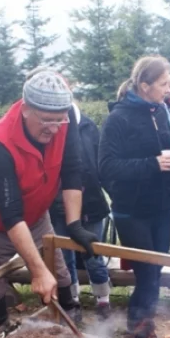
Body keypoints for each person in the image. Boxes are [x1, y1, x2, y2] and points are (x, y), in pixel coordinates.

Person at [0, 70, 97, 336]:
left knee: (60, 276)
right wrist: (36, 272)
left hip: (38, 217)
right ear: (25, 109)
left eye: (59, 120)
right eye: (47, 120)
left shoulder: (66, 118)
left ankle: (68, 333)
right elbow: (11, 214)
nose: (54, 128)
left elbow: (72, 169)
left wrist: (73, 224)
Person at [99, 56, 170, 338]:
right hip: (131, 210)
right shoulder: (118, 119)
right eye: (163, 84)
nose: (168, 90)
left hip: (162, 206)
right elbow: (107, 168)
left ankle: (143, 329)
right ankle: (136, 333)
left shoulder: (161, 111)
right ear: (144, 85)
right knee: (147, 272)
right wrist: (152, 164)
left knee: (156, 270)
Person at [48, 81, 112, 318]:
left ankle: (103, 298)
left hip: (92, 204)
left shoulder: (88, 125)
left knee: (93, 254)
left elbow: (100, 164)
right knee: (65, 257)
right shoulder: (53, 128)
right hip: (59, 204)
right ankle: (71, 300)